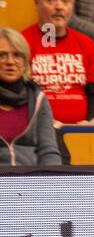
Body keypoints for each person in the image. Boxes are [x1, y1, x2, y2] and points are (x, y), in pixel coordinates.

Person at [21, 0, 94, 129]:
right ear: (36, 3)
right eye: (50, 0)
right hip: (36, 128)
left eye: (65, 1)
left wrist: (91, 122)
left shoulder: (86, 44)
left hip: (82, 129)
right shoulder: (22, 42)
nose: (59, 7)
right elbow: (16, 94)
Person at [0, 28, 61, 166]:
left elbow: (48, 151)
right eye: (2, 55)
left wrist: (51, 185)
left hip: (30, 183)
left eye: (17, 55)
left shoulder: (38, 99)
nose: (10, 61)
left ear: (25, 61)